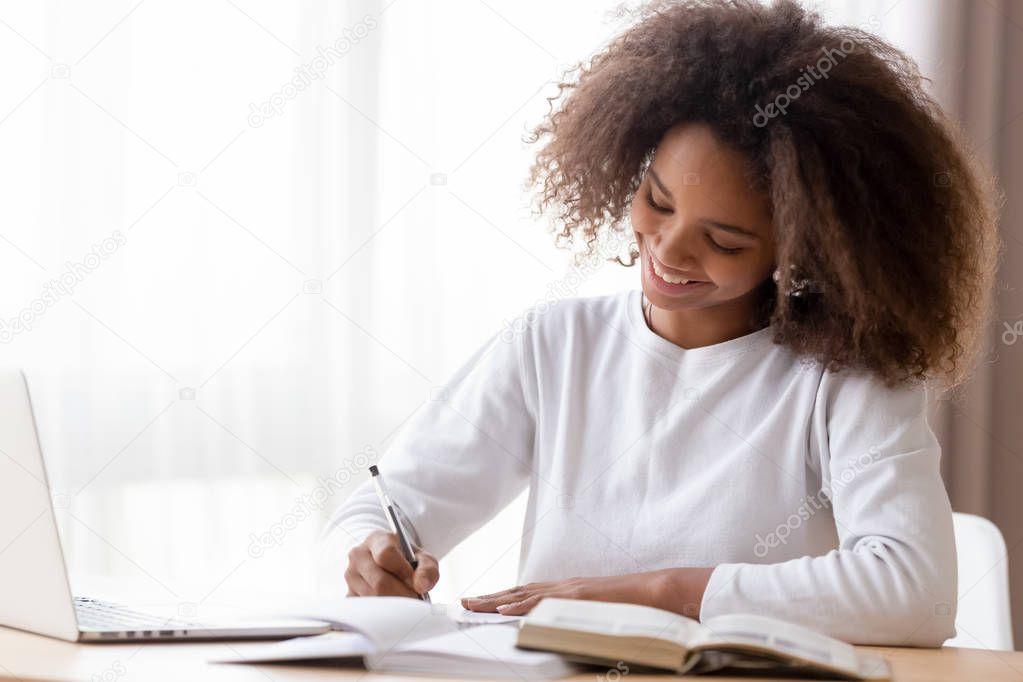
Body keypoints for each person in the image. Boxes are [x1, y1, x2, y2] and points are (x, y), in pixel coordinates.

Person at [319, 0, 1001, 647]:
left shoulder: (846, 375)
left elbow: (916, 592)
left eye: (725, 240)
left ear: (803, 249)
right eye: (656, 200)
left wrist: (659, 591)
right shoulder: (552, 347)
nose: (669, 250)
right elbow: (378, 511)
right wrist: (371, 554)